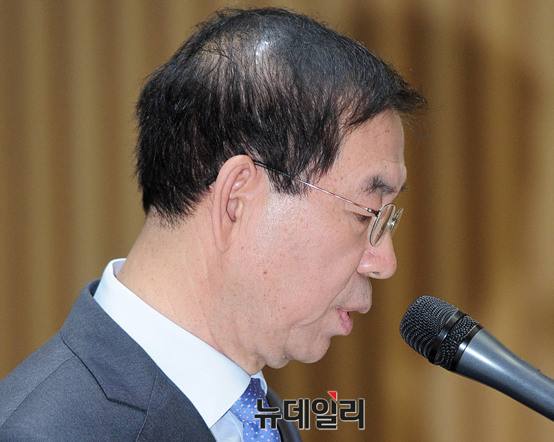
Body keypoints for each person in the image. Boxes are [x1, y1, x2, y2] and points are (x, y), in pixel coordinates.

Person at [0, 7, 426, 441]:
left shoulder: (257, 416)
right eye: (366, 213)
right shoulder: (38, 433)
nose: (384, 263)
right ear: (236, 200)